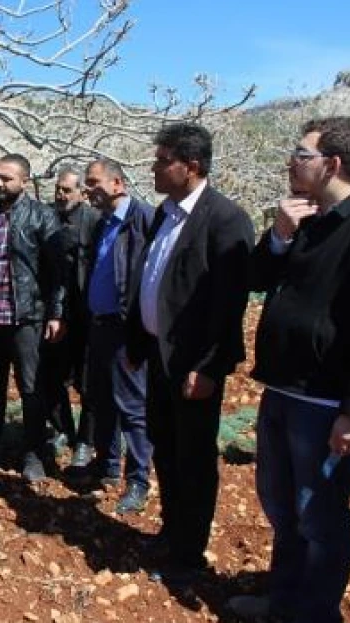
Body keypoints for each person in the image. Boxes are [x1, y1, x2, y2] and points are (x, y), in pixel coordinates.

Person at [229, 117, 350, 623]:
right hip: (284, 387)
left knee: (320, 516)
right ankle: (282, 604)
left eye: (301, 153)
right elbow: (257, 278)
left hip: (328, 401)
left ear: (332, 164)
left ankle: (314, 616)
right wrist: (280, 235)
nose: (290, 161)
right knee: (282, 506)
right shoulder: (307, 217)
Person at [124, 122, 254, 585]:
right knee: (165, 448)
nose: (154, 167)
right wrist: (138, 342)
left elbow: (229, 304)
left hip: (193, 366)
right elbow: (154, 281)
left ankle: (189, 556)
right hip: (159, 358)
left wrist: (210, 367)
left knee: (194, 460)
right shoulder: (165, 213)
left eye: (162, 160)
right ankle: (172, 531)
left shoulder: (226, 219)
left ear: (191, 166)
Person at [0, 154, 66, 482]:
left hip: (27, 319)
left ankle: (34, 453)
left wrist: (56, 313)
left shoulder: (42, 217)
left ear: (24, 181)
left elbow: (57, 271)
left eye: (7, 178)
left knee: (31, 388)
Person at [81, 158, 154, 514]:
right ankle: (107, 466)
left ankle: (139, 479)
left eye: (94, 182)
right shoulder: (101, 224)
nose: (88, 189)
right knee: (101, 399)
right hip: (99, 326)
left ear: (117, 184)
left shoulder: (143, 220)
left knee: (132, 405)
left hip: (127, 329)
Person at [40, 166, 100, 468]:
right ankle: (64, 428)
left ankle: (87, 441)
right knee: (51, 376)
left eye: (67, 190)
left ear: (82, 192)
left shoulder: (94, 221)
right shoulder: (47, 216)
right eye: (58, 190)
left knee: (89, 381)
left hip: (87, 313)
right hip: (53, 311)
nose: (61, 195)